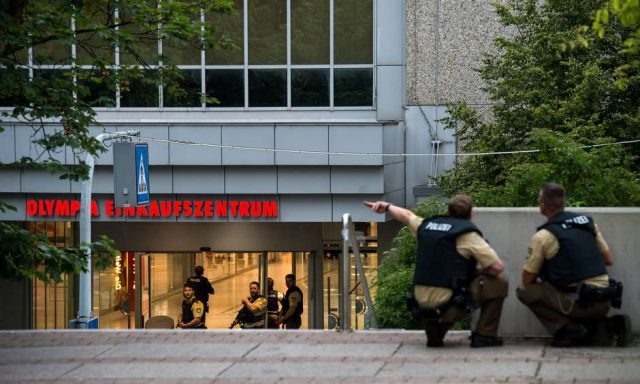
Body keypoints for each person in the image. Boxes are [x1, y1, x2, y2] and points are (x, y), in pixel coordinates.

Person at [364, 195, 508, 348]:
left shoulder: (426, 226)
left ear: (448, 210)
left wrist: (386, 206)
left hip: (419, 303)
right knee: (499, 281)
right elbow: (497, 267)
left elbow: (406, 216)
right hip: (449, 304)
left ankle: (437, 328)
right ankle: (484, 335)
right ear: (471, 215)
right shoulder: (467, 235)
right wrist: (476, 272)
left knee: (450, 287)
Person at [516, 183, 632, 347]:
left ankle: (569, 329)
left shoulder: (544, 236)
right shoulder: (587, 223)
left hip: (578, 301)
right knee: (596, 340)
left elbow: (527, 280)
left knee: (525, 291)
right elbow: (608, 259)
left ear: (542, 205)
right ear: (563, 203)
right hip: (605, 299)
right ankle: (611, 325)